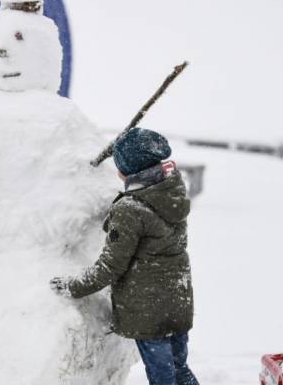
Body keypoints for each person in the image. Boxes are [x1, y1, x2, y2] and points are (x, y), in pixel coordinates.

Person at [50, 128, 198, 385]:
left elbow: (110, 265)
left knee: (163, 378)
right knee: (179, 369)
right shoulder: (171, 191)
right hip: (177, 299)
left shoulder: (130, 209)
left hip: (148, 311)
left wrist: (73, 287)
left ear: (128, 171)